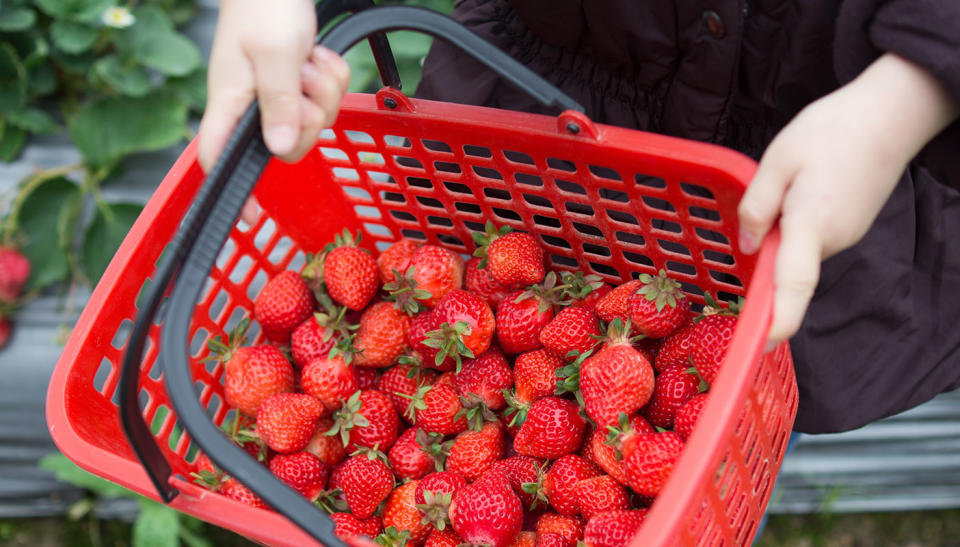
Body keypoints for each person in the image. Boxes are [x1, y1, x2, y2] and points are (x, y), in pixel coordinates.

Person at [197, 0, 960, 434]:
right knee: (675, 424)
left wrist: (896, 107)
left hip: (832, 159)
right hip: (527, 138)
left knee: (742, 410)